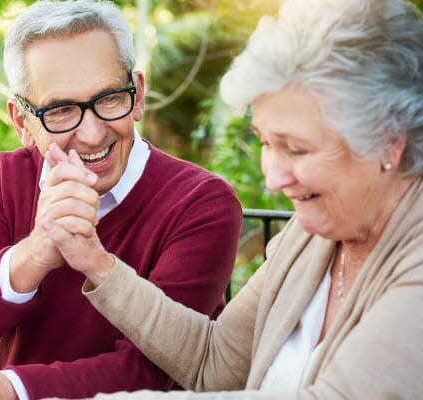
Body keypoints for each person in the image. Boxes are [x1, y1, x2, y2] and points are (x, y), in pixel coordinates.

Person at [40, 0, 423, 398]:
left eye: (296, 149)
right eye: (265, 142)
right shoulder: (314, 235)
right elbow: (215, 364)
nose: (272, 178)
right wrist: (95, 261)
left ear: (389, 144)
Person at [0, 1, 242, 399]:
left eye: (108, 99)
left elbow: (154, 371)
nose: (91, 134)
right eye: (61, 110)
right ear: (22, 122)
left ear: (137, 95)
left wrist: (1, 389)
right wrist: (36, 252)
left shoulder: (201, 202)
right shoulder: (3, 181)